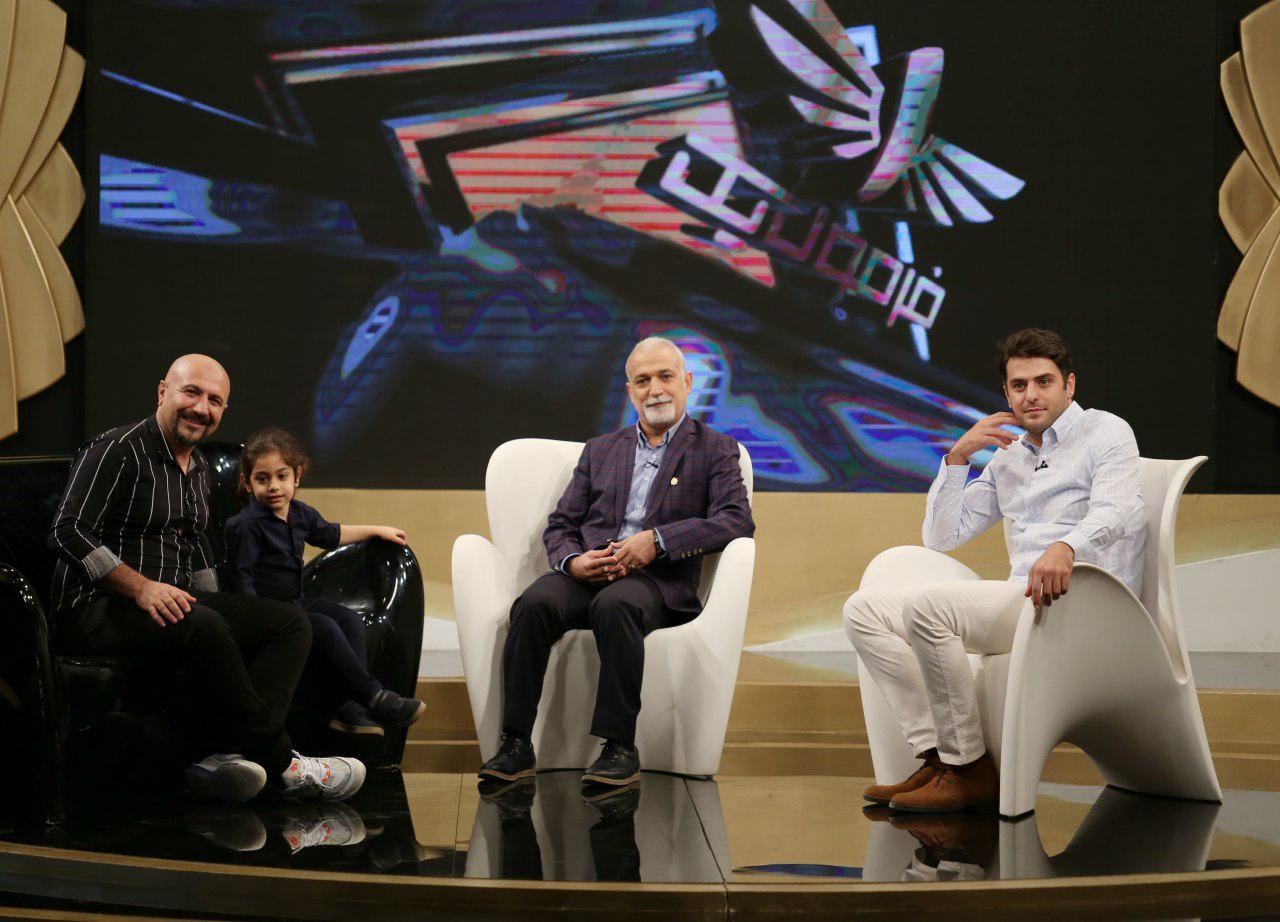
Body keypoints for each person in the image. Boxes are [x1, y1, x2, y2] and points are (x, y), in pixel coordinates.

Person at [844, 329, 1146, 813]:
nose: (1032, 395)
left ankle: (968, 770)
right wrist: (958, 458)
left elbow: (1118, 511)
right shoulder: (1011, 455)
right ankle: (939, 758)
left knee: (927, 606)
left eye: (1044, 381)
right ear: (1006, 394)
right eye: (1019, 385)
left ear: (1069, 385)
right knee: (862, 611)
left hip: (1086, 599)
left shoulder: (1106, 431)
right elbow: (941, 536)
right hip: (1025, 599)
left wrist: (1068, 546)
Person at [48, 355, 365, 804]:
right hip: (97, 607)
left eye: (214, 400)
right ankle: (284, 765)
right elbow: (66, 530)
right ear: (163, 391)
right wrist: (142, 587)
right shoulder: (116, 450)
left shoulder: (197, 469)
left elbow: (196, 551)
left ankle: (231, 760)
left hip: (175, 603)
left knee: (290, 622)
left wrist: (233, 611)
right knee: (204, 623)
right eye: (191, 392)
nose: (201, 408)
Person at [478, 336, 755, 788]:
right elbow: (561, 523)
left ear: (687, 382)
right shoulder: (601, 449)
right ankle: (515, 743)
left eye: (665, 377)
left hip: (658, 581)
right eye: (642, 381)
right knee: (532, 603)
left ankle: (619, 747)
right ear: (630, 392)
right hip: (590, 573)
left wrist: (657, 542)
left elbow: (736, 520)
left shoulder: (716, 449)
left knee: (617, 605)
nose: (655, 389)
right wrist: (572, 562)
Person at [223, 428, 426, 738]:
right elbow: (242, 579)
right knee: (326, 627)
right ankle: (374, 697)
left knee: (349, 619)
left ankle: (348, 706)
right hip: (269, 613)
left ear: (297, 477)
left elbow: (332, 534)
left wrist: (377, 529)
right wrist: (257, 624)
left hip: (295, 602)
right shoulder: (246, 525)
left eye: (281, 476)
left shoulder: (300, 514)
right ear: (247, 483)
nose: (273, 486)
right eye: (262, 479)